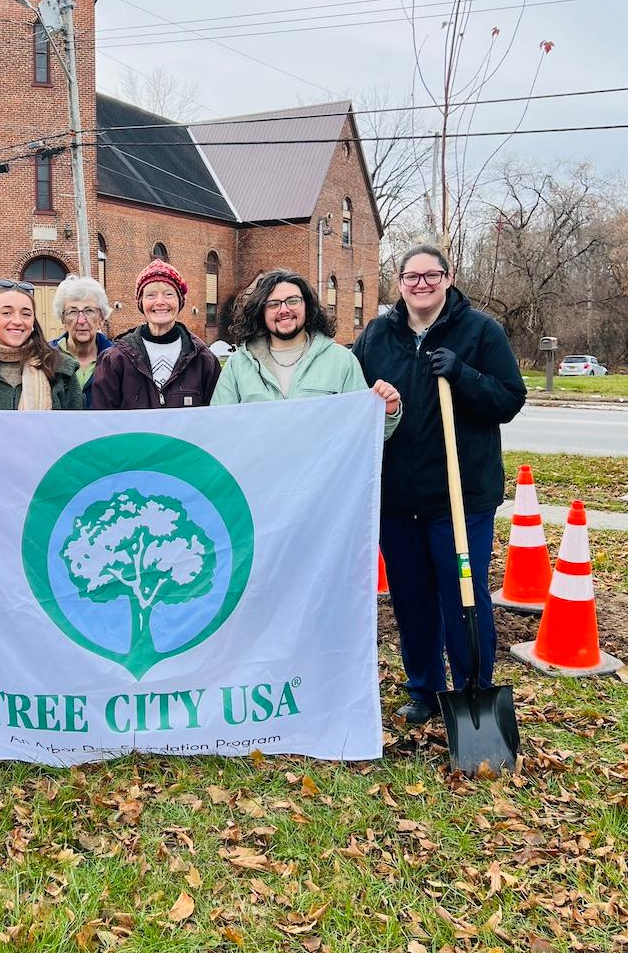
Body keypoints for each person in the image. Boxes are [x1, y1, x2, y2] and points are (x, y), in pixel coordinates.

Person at [352, 244, 526, 724]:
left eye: (431, 275)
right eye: (412, 276)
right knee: (411, 600)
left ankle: (473, 692)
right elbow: (351, 396)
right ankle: (424, 690)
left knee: (464, 597)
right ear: (399, 282)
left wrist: (463, 374)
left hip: (461, 498)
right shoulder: (378, 335)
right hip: (397, 498)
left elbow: (510, 399)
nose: (421, 284)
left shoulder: (480, 331)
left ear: (448, 278)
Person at [210, 269, 401, 436]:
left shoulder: (341, 360)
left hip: (325, 468)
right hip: (257, 467)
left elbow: (365, 429)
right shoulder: (238, 364)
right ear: (261, 312)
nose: (284, 309)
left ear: (307, 306)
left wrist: (387, 412)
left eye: (292, 301)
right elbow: (218, 427)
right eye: (273, 304)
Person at [91, 260, 220, 409]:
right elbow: (103, 418)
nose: (160, 302)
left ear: (180, 300)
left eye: (168, 294)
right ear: (140, 302)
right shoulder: (114, 360)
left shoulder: (204, 361)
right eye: (151, 295)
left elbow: (216, 417)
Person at [0, 278, 83, 411]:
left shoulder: (61, 368)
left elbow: (78, 422)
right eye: (7, 313)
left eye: (26, 314)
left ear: (33, 320)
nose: (17, 321)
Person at [50, 274, 114, 409]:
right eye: (72, 312)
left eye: (89, 311)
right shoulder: (47, 359)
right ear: (63, 320)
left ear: (102, 319)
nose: (81, 320)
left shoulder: (117, 360)